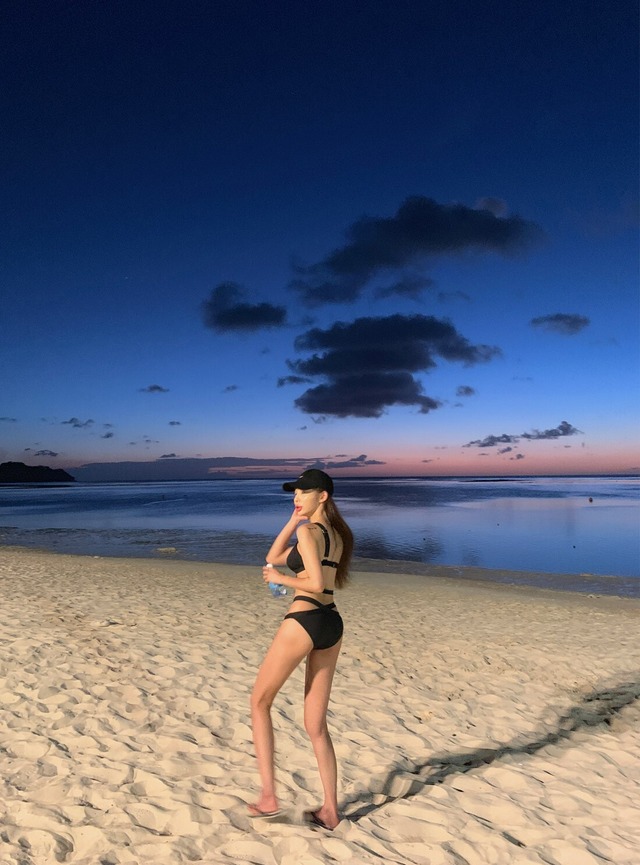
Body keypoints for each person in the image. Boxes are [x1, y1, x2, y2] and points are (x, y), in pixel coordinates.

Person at [249, 469, 353, 831]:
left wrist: (281, 579)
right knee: (315, 724)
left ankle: (268, 797)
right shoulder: (336, 534)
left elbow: (314, 582)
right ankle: (330, 811)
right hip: (331, 624)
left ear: (322, 496)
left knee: (259, 702)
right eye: (294, 492)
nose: (297, 497)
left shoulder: (310, 532)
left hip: (304, 619)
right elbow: (273, 555)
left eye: (303, 492)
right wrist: (292, 520)